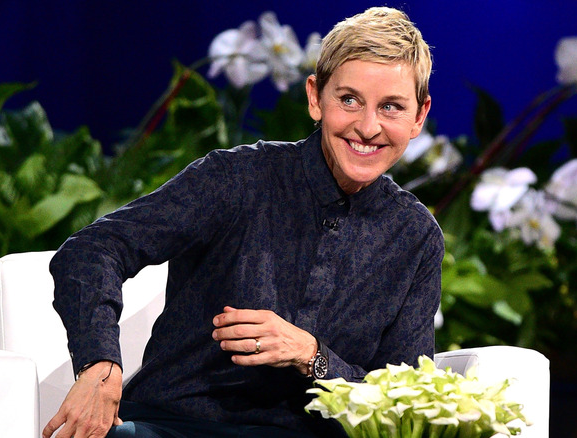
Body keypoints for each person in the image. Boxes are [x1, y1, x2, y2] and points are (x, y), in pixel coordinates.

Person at [43, 6, 443, 438]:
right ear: (315, 98)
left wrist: (312, 355)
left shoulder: (415, 236)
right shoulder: (237, 178)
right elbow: (93, 250)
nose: (367, 127)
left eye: (391, 107)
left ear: (418, 117)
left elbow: (401, 399)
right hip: (176, 426)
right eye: (349, 100)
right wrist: (100, 367)